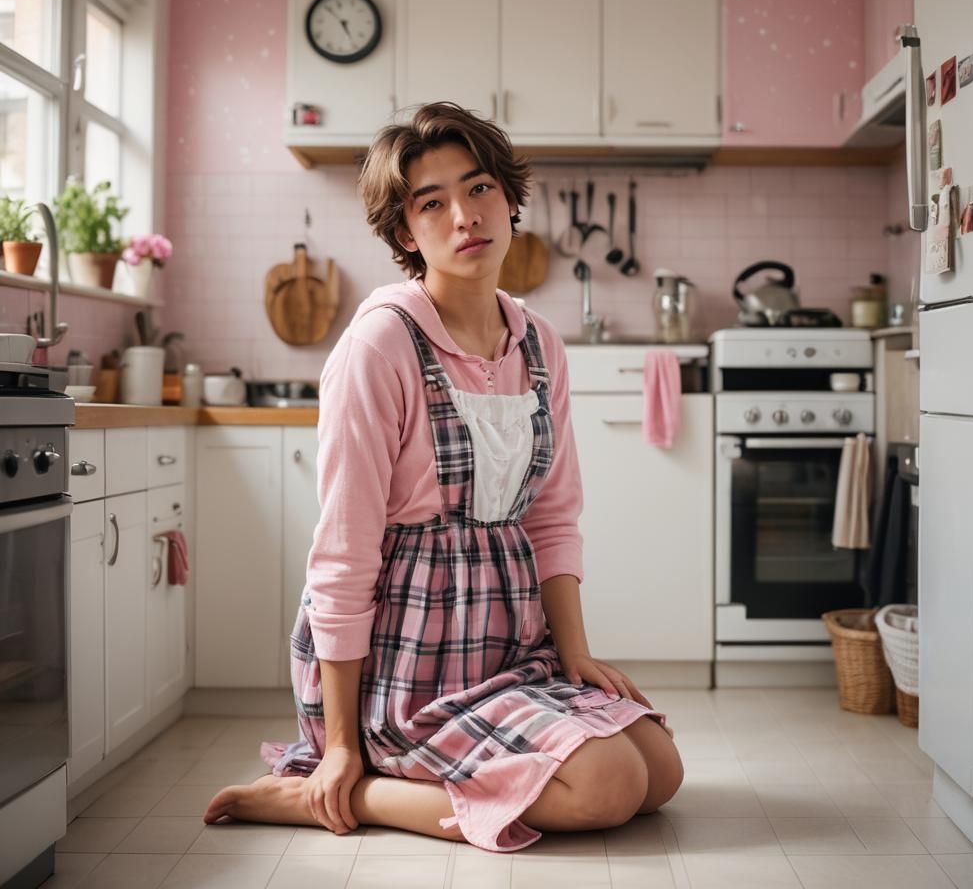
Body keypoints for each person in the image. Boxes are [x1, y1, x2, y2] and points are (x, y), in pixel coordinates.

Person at [203, 102, 684, 851]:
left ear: (510, 199)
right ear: (404, 231)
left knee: (658, 771)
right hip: (409, 664)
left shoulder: (538, 344)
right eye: (433, 203)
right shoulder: (380, 345)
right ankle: (350, 790)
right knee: (605, 784)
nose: (465, 215)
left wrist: (575, 653)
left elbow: (551, 517)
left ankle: (393, 779)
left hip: (509, 651)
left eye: (480, 187)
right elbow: (343, 555)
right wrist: (338, 743)